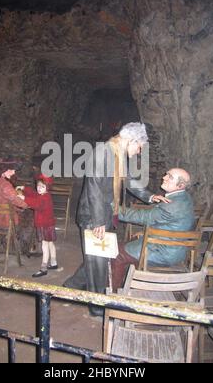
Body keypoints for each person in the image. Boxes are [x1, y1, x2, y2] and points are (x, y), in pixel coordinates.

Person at [63, 122, 167, 317]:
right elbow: (93, 187)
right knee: (97, 262)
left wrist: (149, 196)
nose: (138, 152)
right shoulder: (103, 152)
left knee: (100, 258)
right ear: (131, 140)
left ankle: (71, 286)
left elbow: (127, 181)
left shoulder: (118, 154)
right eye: (139, 147)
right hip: (93, 216)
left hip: (106, 213)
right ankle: (96, 307)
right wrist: (98, 222)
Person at [112, 168, 195, 290]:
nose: (164, 177)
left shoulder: (171, 206)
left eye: (170, 177)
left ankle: (113, 294)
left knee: (115, 253)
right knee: (126, 245)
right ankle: (127, 283)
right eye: (166, 174)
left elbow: (141, 217)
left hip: (162, 251)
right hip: (174, 248)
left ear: (180, 185)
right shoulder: (185, 198)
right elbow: (166, 223)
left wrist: (112, 208)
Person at [18, 174, 57, 278]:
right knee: (50, 244)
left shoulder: (45, 198)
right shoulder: (41, 194)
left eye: (42, 187)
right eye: (38, 186)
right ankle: (53, 262)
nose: (39, 188)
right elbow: (33, 193)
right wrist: (24, 188)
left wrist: (23, 197)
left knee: (45, 246)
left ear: (47, 188)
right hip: (47, 224)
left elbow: (36, 204)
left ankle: (43, 268)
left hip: (45, 226)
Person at [0, 158, 28, 230]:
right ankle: (13, 238)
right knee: (28, 216)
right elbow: (15, 200)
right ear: (4, 170)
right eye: (12, 170)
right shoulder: (5, 184)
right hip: (4, 221)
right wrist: (26, 205)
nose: (14, 173)